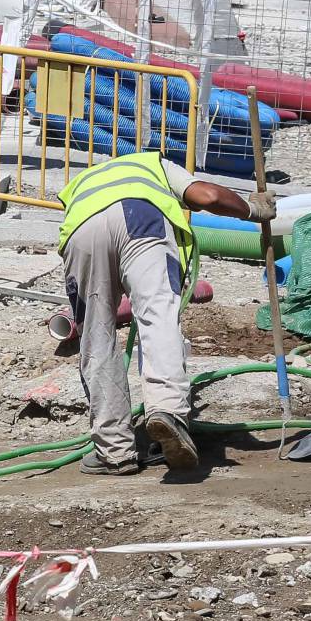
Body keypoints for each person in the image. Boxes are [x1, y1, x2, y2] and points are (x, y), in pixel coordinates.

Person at [56, 152, 274, 476]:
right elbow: (208, 196)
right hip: (139, 220)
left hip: (80, 233)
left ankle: (114, 452)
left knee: (96, 338)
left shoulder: (81, 183)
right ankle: (168, 412)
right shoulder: (153, 163)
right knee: (157, 318)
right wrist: (253, 209)